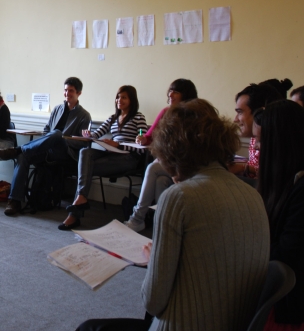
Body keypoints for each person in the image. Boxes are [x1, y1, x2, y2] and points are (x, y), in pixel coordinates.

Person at [76, 100, 270, 331]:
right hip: (234, 323)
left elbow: (152, 301)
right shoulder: (254, 195)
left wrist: (155, 259)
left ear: (171, 151)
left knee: (88, 328)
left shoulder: (179, 197)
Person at [0, 77, 91, 217]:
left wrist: (63, 139)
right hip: (48, 150)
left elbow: (83, 142)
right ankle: (14, 201)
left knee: (58, 134)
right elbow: (47, 130)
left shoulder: (84, 116)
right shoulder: (57, 109)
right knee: (23, 156)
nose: (67, 93)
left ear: (79, 93)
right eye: (65, 90)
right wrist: (49, 140)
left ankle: (18, 148)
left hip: (66, 153)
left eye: (71, 91)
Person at [60, 85, 147, 230]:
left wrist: (119, 145)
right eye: (118, 97)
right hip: (111, 154)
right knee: (85, 152)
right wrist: (89, 135)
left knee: (85, 169)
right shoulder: (113, 118)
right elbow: (97, 133)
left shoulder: (139, 117)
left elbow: (142, 146)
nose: (119, 100)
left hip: (128, 158)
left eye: (124, 97)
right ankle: (81, 198)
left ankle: (74, 214)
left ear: (132, 100)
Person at [123, 79, 198, 232]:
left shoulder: (193, 116)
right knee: (160, 181)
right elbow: (149, 137)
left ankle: (137, 218)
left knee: (152, 168)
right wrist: (143, 139)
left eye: (176, 91)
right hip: (167, 163)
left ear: (186, 94)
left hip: (185, 163)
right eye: (170, 90)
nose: (170, 94)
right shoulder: (165, 112)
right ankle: (162, 223)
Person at [257, 100, 304, 330]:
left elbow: (286, 254)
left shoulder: (300, 188)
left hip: (287, 304)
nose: (257, 149)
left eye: (261, 141)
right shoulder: (283, 181)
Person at [230, 82, 283, 179]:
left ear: (259, 113)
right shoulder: (254, 138)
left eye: (240, 112)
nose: (235, 119)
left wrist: (242, 168)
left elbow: (275, 174)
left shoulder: (276, 141)